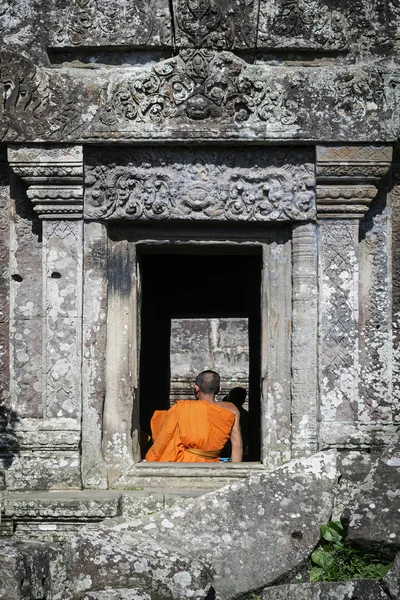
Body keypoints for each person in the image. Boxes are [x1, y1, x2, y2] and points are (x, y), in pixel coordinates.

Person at [145, 370, 243, 463]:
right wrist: (236, 472)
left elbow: (164, 439)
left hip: (183, 464)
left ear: (196, 387)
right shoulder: (231, 409)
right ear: (219, 388)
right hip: (213, 465)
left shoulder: (181, 408)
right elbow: (237, 444)